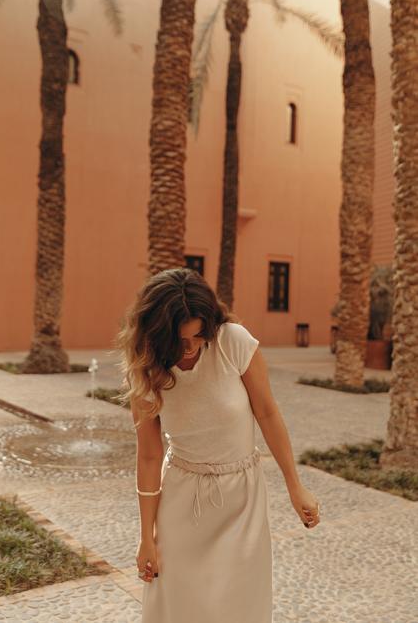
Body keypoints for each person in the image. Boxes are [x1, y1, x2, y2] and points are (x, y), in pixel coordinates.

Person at [118, 267, 321, 623]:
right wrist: (146, 536)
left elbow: (268, 413)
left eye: (199, 336)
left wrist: (295, 486)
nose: (192, 346)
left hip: (242, 496)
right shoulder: (147, 369)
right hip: (182, 498)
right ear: (158, 334)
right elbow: (149, 456)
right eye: (181, 340)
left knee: (239, 605)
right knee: (179, 604)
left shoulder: (233, 341)